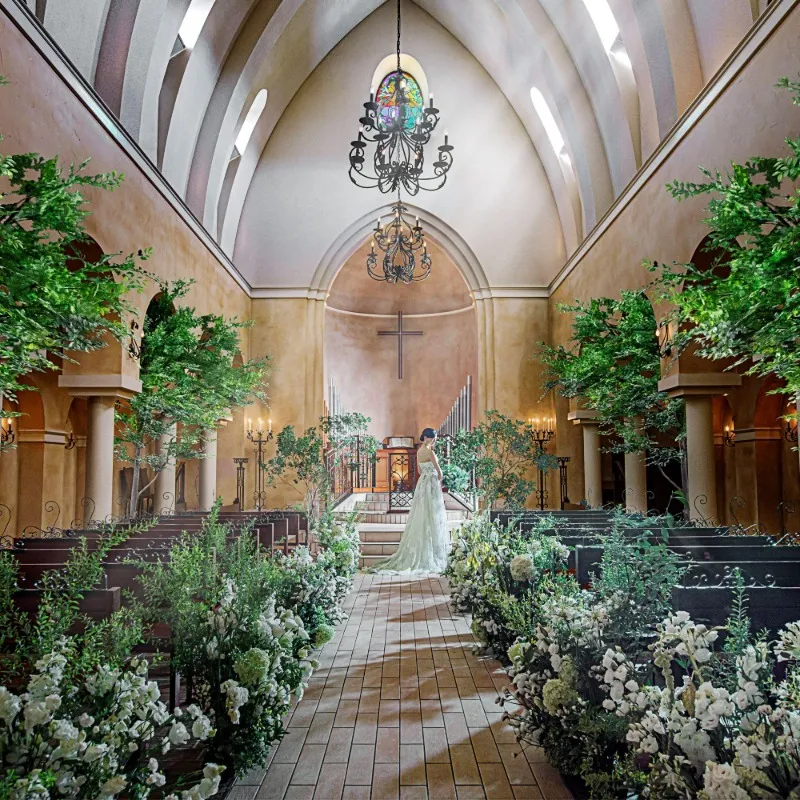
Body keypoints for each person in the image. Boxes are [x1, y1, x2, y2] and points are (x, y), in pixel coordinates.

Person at [372, 428, 450, 574]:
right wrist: (439, 480)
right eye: (433, 438)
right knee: (433, 514)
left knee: (423, 513)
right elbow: (440, 472)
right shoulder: (430, 452)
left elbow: (420, 471)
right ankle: (433, 551)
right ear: (427, 437)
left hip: (423, 483)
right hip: (431, 483)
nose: (434, 440)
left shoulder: (419, 451)